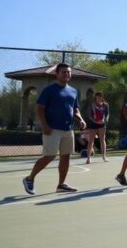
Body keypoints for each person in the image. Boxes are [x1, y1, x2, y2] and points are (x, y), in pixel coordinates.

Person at [22, 63, 87, 195]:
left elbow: (75, 109)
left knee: (66, 156)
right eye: (63, 72)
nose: (66, 74)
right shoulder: (49, 90)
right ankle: (29, 179)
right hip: (52, 129)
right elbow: (40, 108)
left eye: (68, 72)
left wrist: (80, 119)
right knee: (49, 156)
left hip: (68, 130)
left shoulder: (74, 91)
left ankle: (61, 184)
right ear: (57, 74)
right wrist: (44, 125)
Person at [85, 92, 109, 163]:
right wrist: (95, 121)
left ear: (102, 97)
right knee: (90, 141)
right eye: (98, 96)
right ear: (95, 97)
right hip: (93, 125)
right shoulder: (91, 105)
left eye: (100, 96)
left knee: (102, 140)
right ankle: (88, 158)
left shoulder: (106, 105)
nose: (99, 98)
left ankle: (104, 156)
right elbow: (89, 115)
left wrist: (105, 120)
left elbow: (107, 114)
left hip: (102, 125)